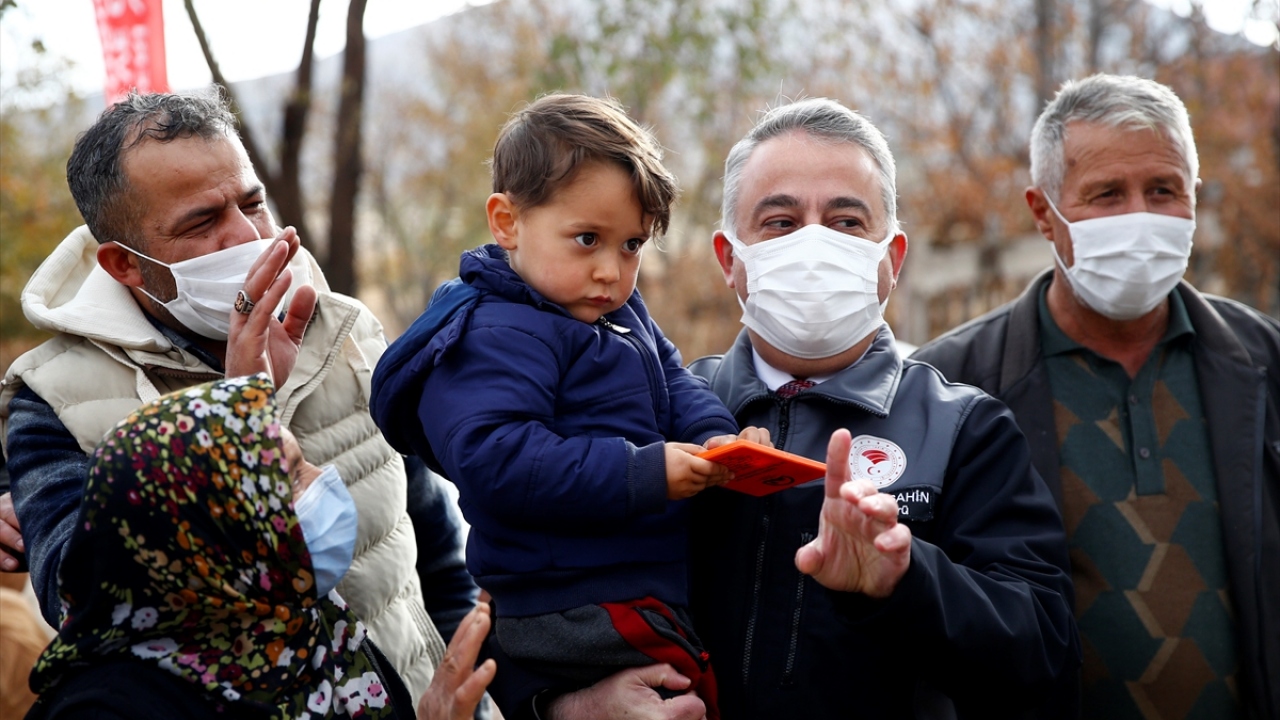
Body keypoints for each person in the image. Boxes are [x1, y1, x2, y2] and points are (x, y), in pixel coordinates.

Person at [0, 90, 463, 700]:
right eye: (202, 221)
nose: (247, 238)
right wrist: (236, 413)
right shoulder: (51, 398)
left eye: (253, 204)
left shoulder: (346, 331)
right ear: (123, 265)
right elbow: (79, 601)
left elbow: (435, 552)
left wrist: (472, 690)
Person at [679, 97, 1079, 719]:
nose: (813, 242)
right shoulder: (658, 416)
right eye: (781, 222)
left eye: (844, 222)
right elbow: (540, 583)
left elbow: (1044, 658)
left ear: (891, 261)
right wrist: (566, 701)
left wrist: (905, 580)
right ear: (731, 260)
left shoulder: (964, 428)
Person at [370, 93, 766, 720]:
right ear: (507, 222)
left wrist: (720, 437)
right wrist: (644, 472)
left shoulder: (617, 312)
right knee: (697, 686)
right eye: (587, 239)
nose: (611, 270)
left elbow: (675, 381)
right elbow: (494, 459)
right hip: (564, 600)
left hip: (637, 578)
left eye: (632, 245)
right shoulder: (494, 333)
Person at [913, 74, 1279, 719]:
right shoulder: (951, 386)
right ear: (1042, 214)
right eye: (1106, 194)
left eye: (1162, 191)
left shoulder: (1263, 362)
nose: (1138, 216)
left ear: (1194, 199)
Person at [24, 374, 497, 720]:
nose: (322, 482)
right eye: (290, 477)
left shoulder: (319, 636)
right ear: (209, 535)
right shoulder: (110, 710)